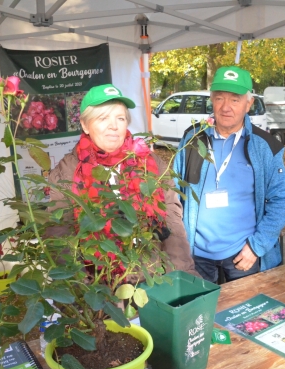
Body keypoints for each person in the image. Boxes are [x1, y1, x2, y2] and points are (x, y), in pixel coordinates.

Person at [48, 83, 197, 276]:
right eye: (103, 118)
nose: (114, 126)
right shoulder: (67, 172)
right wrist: (84, 294)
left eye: (120, 118)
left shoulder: (149, 163)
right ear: (85, 125)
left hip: (151, 275)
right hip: (99, 283)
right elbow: (60, 236)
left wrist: (182, 273)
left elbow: (171, 219)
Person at [173, 66, 285, 283]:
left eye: (235, 100)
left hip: (243, 256)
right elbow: (173, 192)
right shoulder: (192, 139)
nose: (226, 107)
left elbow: (280, 200)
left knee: (247, 315)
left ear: (249, 104)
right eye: (219, 98)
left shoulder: (266, 146)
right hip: (197, 257)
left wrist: (257, 247)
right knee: (200, 316)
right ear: (211, 101)